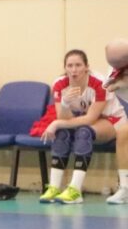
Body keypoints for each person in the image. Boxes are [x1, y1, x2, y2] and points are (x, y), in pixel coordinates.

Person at [38, 49, 124, 204]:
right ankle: (54, 187)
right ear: (65, 68)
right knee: (62, 132)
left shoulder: (99, 83)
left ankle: (75, 191)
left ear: (87, 67)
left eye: (78, 65)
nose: (74, 70)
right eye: (70, 66)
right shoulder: (59, 84)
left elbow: (90, 118)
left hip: (112, 120)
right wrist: (65, 104)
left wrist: (55, 123)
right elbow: (64, 117)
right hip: (85, 118)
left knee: (84, 132)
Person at [103, 39, 128, 205]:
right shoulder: (114, 69)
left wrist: (123, 83)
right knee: (123, 132)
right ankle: (125, 187)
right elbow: (108, 86)